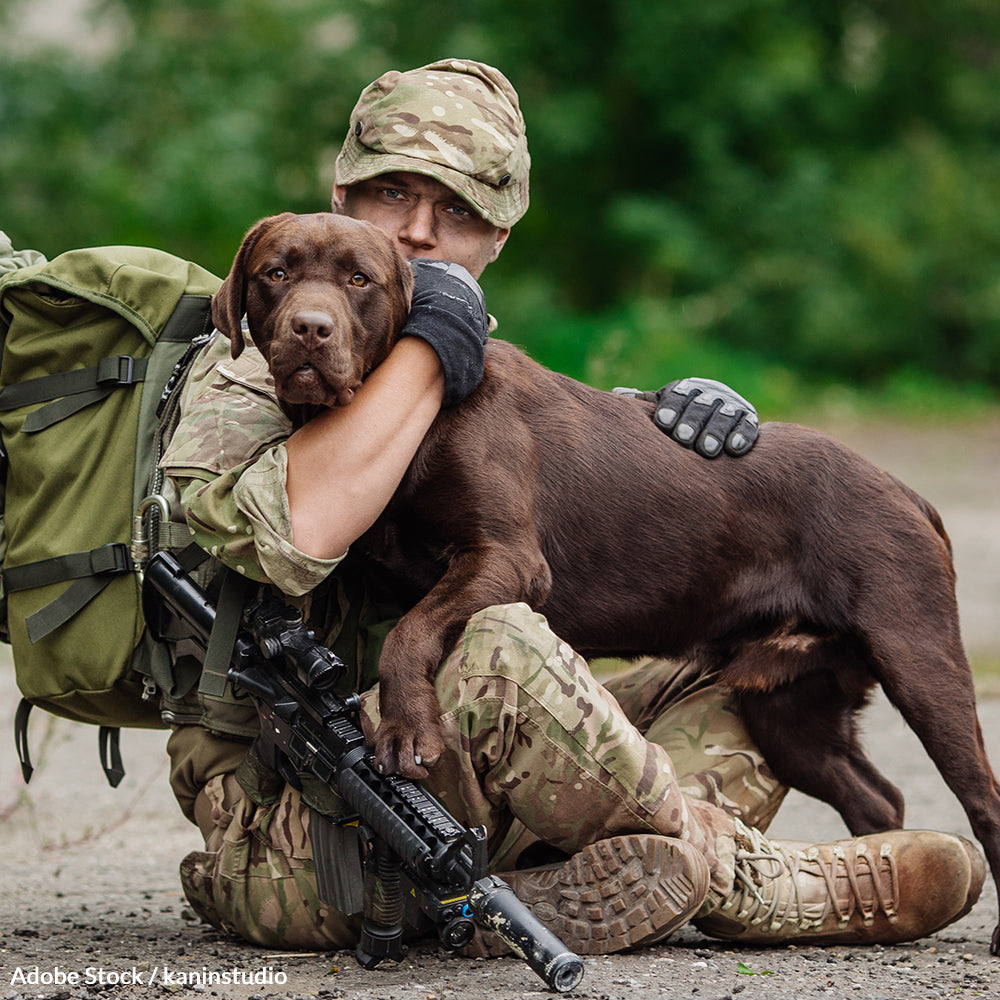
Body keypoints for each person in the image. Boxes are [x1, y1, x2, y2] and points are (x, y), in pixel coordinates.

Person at [157, 58, 985, 957]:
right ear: (342, 193)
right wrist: (433, 346)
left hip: (443, 779)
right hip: (303, 832)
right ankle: (742, 881)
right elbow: (305, 530)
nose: (422, 233)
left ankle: (558, 889)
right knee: (506, 644)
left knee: (724, 687)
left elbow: (549, 456)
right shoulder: (243, 370)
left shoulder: (449, 357)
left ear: (500, 238)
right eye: (393, 194)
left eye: (460, 210)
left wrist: (652, 415)